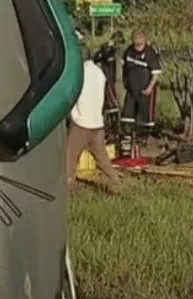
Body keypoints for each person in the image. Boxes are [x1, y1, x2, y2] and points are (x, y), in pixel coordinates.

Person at [67, 44, 123, 184]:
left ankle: (67, 187)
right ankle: (117, 182)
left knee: (70, 159)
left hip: (81, 123)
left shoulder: (77, 73)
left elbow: (71, 95)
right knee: (103, 159)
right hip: (97, 123)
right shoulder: (99, 72)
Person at [120, 30, 162, 153]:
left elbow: (156, 74)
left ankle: (143, 143)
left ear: (144, 40)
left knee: (144, 119)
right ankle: (128, 143)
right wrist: (125, 83)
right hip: (131, 90)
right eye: (135, 41)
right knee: (127, 118)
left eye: (140, 41)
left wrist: (149, 88)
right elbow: (124, 68)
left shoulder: (150, 53)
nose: (137, 43)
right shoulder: (129, 51)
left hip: (145, 90)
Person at [92, 31, 124, 134]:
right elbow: (96, 58)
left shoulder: (120, 51)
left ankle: (117, 127)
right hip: (108, 80)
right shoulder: (105, 50)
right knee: (109, 102)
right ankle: (109, 127)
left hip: (117, 81)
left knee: (117, 103)